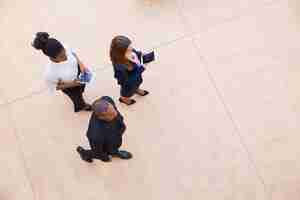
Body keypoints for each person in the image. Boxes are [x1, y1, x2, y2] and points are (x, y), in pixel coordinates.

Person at [32, 32, 92, 112]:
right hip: (70, 87)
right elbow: (55, 87)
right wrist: (73, 84)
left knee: (82, 89)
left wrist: (81, 65)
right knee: (77, 98)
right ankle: (82, 106)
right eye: (61, 57)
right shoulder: (50, 73)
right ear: (52, 58)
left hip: (78, 76)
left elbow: (73, 54)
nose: (66, 57)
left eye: (64, 52)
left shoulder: (64, 47)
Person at [76, 96, 132, 162]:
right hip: (105, 143)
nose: (115, 113)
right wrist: (104, 157)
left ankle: (115, 152)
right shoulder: (95, 134)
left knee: (113, 147)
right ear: (101, 117)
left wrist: (121, 130)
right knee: (98, 152)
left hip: (115, 137)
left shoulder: (107, 100)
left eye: (113, 109)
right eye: (111, 114)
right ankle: (84, 153)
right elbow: (97, 151)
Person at [110, 35, 149, 106]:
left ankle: (136, 89)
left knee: (138, 82)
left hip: (136, 76)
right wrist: (142, 68)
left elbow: (135, 53)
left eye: (130, 46)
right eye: (128, 49)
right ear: (120, 52)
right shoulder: (119, 66)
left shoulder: (129, 51)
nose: (131, 49)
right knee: (127, 92)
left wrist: (140, 53)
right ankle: (124, 99)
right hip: (128, 83)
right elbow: (128, 80)